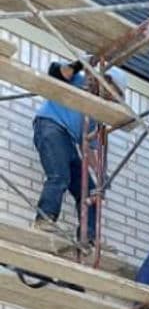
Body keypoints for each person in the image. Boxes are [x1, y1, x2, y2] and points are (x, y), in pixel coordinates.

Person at [33, 60, 127, 242]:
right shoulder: (78, 80)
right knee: (59, 176)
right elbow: (56, 71)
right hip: (50, 127)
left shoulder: (96, 113)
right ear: (105, 80)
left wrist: (100, 175)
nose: (110, 98)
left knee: (90, 191)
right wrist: (82, 63)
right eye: (111, 91)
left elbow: (87, 146)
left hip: (67, 141)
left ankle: (88, 237)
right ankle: (44, 219)